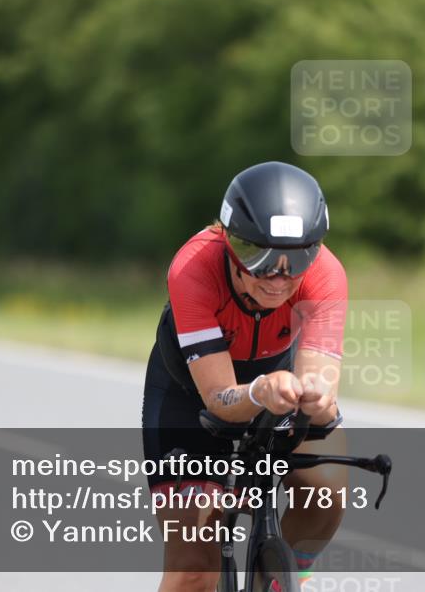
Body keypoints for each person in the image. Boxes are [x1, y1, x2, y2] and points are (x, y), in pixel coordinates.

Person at [142, 161, 348, 592]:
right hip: (192, 394)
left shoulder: (327, 276)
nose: (279, 276)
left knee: (327, 494)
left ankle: (284, 575)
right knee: (194, 570)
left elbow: (322, 388)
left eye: (298, 257)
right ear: (231, 245)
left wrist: (317, 396)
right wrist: (259, 391)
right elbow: (219, 398)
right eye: (261, 257)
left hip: (280, 379)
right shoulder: (194, 267)